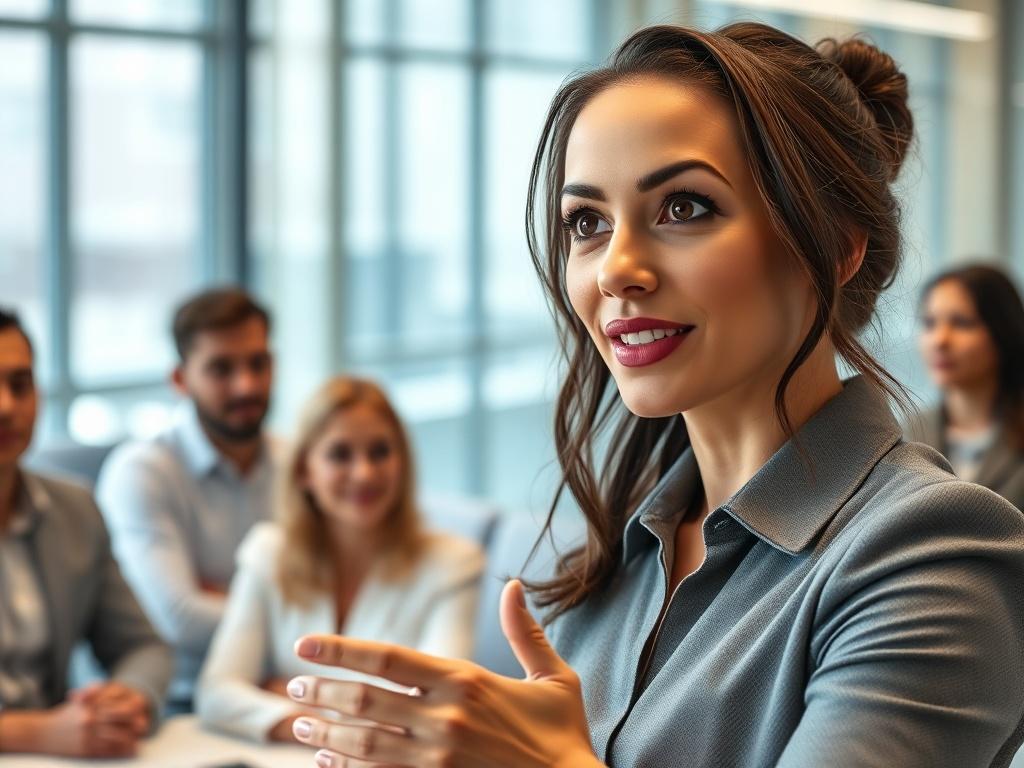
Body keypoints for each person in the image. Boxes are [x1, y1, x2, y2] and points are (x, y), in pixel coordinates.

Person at [276, 23, 1024, 768]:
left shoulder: (936, 558)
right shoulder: (618, 559)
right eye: (587, 223)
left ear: (832, 244)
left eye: (683, 207)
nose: (615, 270)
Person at [194, 376, 483, 743]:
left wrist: (287, 697)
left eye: (380, 451)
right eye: (340, 454)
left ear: (403, 462)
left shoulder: (454, 564)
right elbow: (216, 694)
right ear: (303, 471)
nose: (364, 473)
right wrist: (335, 722)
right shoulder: (268, 552)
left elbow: (436, 711)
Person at [96, 287, 280, 711]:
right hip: (178, 705)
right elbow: (178, 618)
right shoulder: (142, 472)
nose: (246, 385)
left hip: (283, 689)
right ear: (180, 379)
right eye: (221, 369)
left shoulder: (297, 462)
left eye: (259, 363)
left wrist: (225, 598)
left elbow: (340, 593)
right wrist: (285, 610)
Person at [0, 309, 171, 758]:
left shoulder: (73, 508)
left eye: (20, 384)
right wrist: (34, 733)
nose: (5, 406)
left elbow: (143, 646)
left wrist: (127, 698)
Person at [906, 264, 1024, 510]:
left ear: (1002, 330)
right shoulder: (909, 433)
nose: (940, 340)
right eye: (929, 323)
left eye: (961, 323)